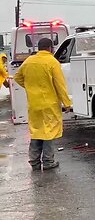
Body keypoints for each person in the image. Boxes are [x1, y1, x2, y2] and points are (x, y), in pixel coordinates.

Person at [14, 38, 72, 171]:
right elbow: (60, 85)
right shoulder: (52, 62)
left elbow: (17, 77)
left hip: (34, 104)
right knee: (49, 133)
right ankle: (48, 162)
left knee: (36, 131)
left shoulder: (29, 61)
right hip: (49, 104)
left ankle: (34, 162)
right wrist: (67, 103)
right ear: (51, 48)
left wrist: (29, 87)